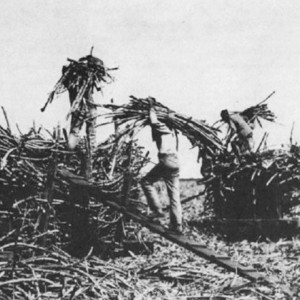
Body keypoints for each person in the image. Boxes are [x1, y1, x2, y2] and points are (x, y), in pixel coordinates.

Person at [141, 102, 183, 235]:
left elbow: (153, 120)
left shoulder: (163, 127)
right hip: (176, 163)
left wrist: (151, 108)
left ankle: (157, 210)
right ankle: (177, 225)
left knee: (145, 182)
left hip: (166, 160)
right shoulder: (172, 131)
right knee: (174, 195)